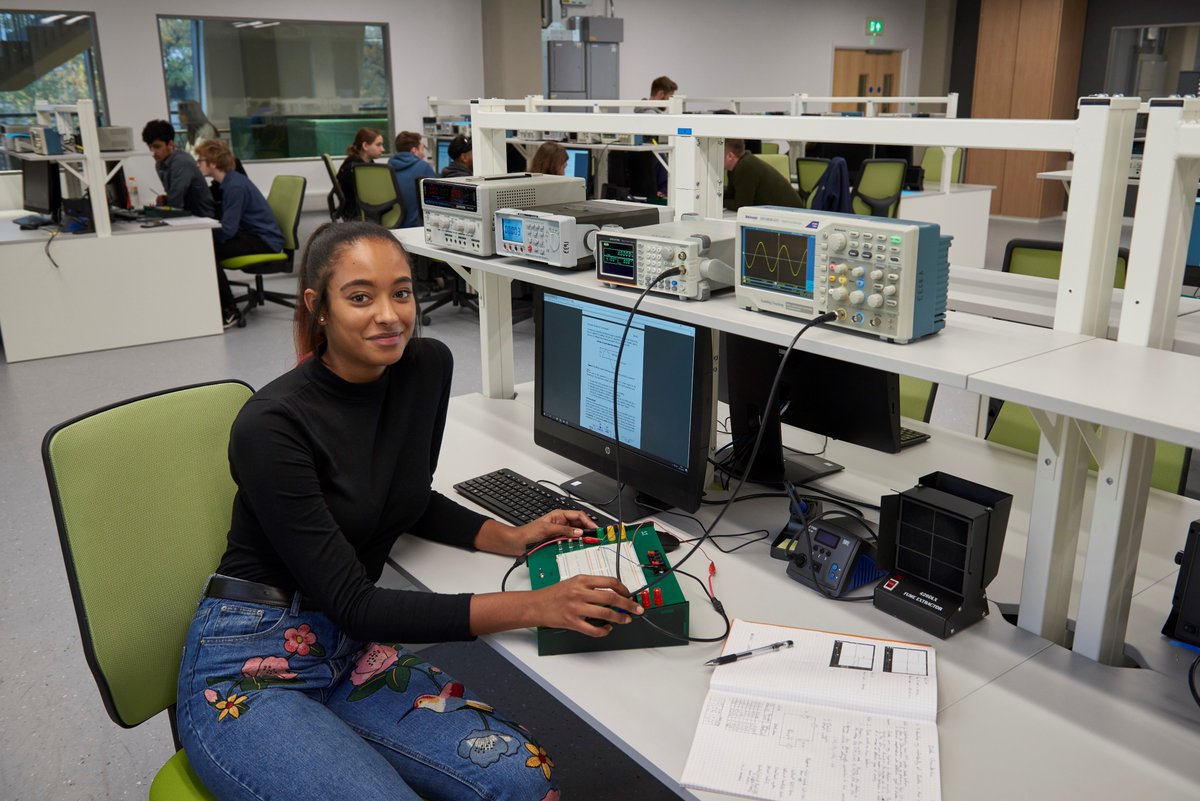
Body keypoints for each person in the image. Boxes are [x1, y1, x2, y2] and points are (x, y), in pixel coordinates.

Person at [176, 220, 643, 801]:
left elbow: (400, 492)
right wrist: (535, 606)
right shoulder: (273, 425)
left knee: (523, 777)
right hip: (250, 657)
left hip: (346, 649)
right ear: (318, 308)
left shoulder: (424, 368)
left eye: (401, 292)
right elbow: (356, 605)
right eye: (360, 296)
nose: (389, 315)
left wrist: (511, 536)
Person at [194, 139, 284, 327]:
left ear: (213, 163)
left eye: (200, 160)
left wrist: (204, 235)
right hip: (255, 235)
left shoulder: (234, 187)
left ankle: (230, 310)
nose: (197, 164)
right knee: (207, 249)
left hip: (265, 240)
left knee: (206, 253)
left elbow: (227, 230)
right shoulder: (230, 182)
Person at [140, 118, 215, 218]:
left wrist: (166, 203)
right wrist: (165, 200)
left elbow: (175, 203)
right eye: (150, 147)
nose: (152, 151)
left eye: (157, 147)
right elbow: (174, 198)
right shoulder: (160, 164)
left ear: (170, 144)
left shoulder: (181, 162)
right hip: (187, 216)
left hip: (202, 219)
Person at [723, 137, 804, 212]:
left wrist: (721, 201)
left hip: (792, 214)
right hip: (781, 212)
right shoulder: (737, 166)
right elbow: (731, 195)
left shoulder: (745, 167)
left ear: (730, 156)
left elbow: (741, 205)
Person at [387, 131, 436, 228]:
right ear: (414, 150)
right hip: (416, 226)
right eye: (422, 149)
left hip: (393, 224)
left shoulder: (388, 167)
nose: (423, 155)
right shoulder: (423, 167)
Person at [337, 127, 386, 220]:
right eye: (378, 145)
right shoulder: (355, 169)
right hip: (360, 214)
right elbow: (371, 196)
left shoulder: (365, 164)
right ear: (365, 146)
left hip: (362, 212)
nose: (383, 149)